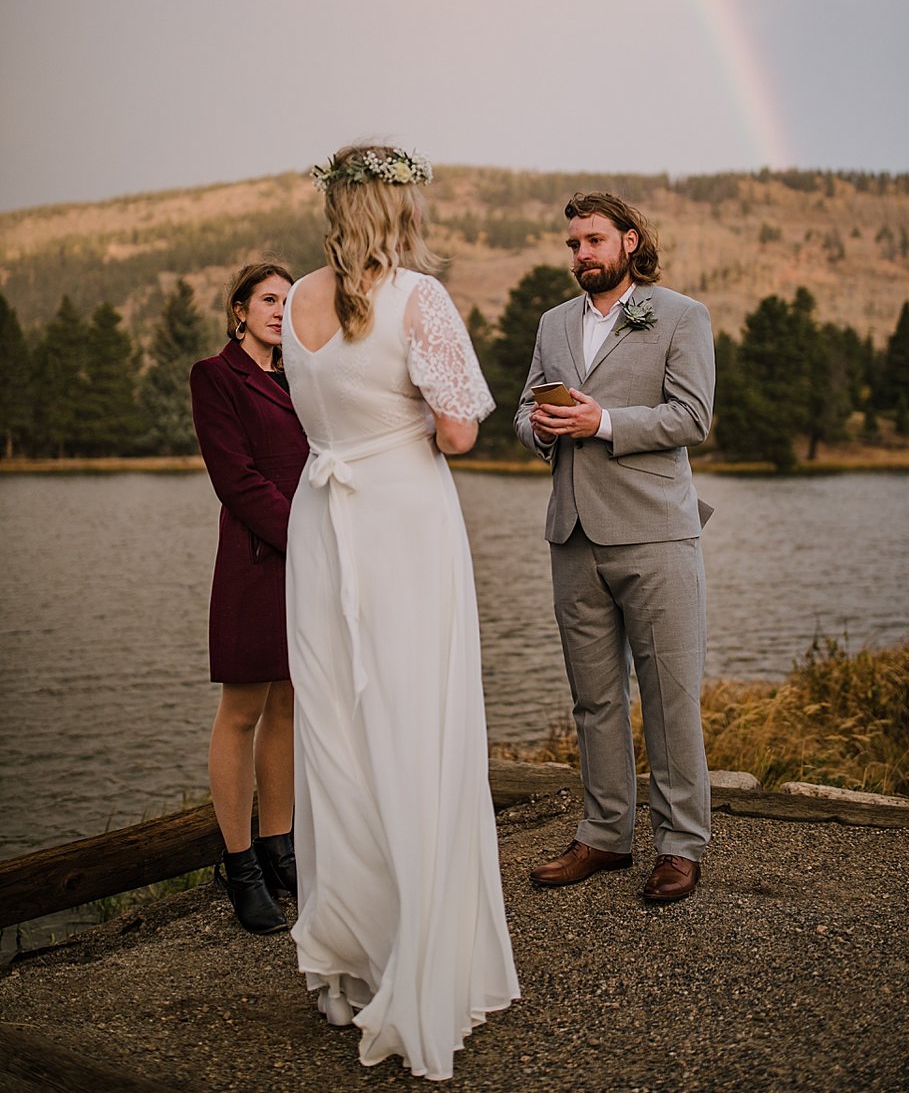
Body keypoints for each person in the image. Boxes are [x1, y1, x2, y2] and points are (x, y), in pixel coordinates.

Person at [282, 144, 518, 1081]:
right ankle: (424, 963)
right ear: (398, 211)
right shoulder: (420, 297)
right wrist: (411, 419)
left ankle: (354, 957)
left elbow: (317, 407)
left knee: (337, 730)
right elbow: (458, 429)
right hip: (403, 520)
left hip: (320, 517)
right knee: (419, 720)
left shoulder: (294, 302)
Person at [514, 191, 715, 904]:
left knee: (670, 697)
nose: (580, 255)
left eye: (593, 241)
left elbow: (692, 416)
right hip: (572, 532)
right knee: (594, 699)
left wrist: (602, 422)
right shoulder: (552, 323)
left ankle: (680, 845)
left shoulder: (680, 315)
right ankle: (603, 834)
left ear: (630, 242)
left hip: (656, 531)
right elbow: (526, 406)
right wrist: (538, 428)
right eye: (572, 244)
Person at [189, 263, 309, 934]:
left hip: (306, 566)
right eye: (268, 300)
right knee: (241, 707)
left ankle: (279, 845)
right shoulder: (215, 376)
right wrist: (306, 538)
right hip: (256, 559)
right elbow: (235, 478)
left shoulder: (298, 380)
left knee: (289, 701)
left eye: (289, 302)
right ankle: (239, 865)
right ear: (238, 311)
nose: (279, 310)